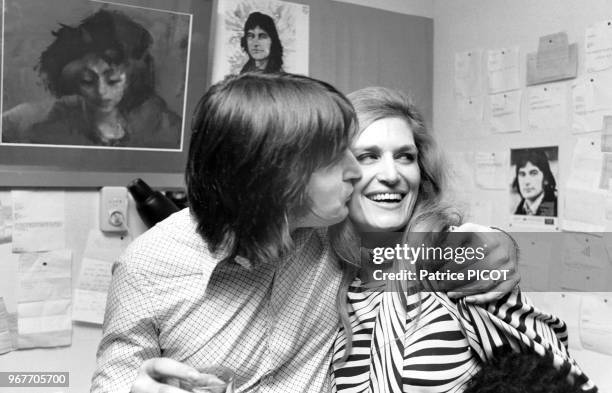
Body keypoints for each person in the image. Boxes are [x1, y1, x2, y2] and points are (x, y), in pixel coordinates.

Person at [91, 73, 519, 393]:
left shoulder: (336, 234)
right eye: (339, 159)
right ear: (278, 175)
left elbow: (422, 231)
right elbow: (115, 381)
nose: (359, 173)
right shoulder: (147, 267)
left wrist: (493, 243)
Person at [330, 87, 596, 393]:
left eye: (405, 157)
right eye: (368, 156)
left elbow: (566, 382)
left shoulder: (459, 262)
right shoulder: (332, 283)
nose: (391, 174)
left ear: (423, 172)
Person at [1, 9, 181, 148]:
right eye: (87, 81)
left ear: (131, 78)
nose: (101, 91)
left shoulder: (157, 120)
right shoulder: (53, 124)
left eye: (113, 80)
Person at [512, 149, 557, 216]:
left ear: (546, 178)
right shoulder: (519, 210)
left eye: (533, 173)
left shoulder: (556, 208)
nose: (527, 182)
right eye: (522, 174)